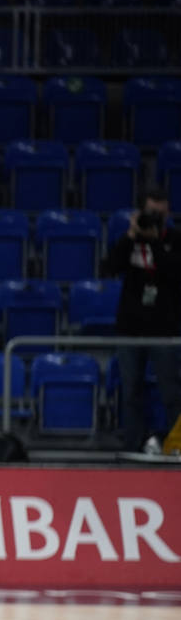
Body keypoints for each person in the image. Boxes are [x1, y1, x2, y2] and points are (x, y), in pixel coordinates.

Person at [107, 189, 181, 455]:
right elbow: (110, 267)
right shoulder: (130, 241)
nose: (156, 218)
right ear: (140, 213)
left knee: (172, 393)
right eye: (151, 213)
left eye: (161, 213)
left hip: (164, 329)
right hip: (130, 329)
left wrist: (155, 242)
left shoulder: (174, 239)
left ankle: (177, 446)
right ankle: (133, 447)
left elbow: (174, 272)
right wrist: (131, 235)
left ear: (169, 213)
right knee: (131, 393)